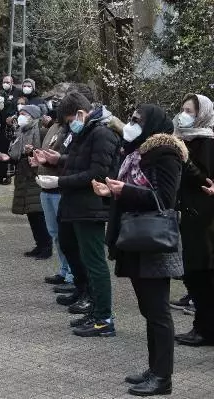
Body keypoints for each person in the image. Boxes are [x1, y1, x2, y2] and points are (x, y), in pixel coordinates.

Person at [93, 104, 184, 396]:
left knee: (158, 312)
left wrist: (124, 191)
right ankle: (154, 368)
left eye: (137, 120)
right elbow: (136, 192)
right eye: (131, 118)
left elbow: (164, 199)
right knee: (148, 310)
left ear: (153, 124)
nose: (131, 123)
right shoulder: (137, 152)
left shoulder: (166, 154)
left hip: (154, 242)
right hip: (136, 239)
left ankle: (163, 378)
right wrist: (112, 193)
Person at [35, 92, 121, 337]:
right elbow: (77, 161)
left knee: (94, 262)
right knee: (73, 249)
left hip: (90, 207)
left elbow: (97, 172)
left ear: (82, 113)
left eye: (71, 118)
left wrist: (59, 181)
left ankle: (104, 318)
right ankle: (93, 307)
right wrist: (58, 160)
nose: (70, 124)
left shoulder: (102, 133)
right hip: (75, 204)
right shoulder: (85, 131)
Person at [174, 93, 214, 347]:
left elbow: (205, 179)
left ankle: (205, 330)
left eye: (189, 111)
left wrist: (184, 157)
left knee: (201, 276)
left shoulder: (207, 142)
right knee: (193, 276)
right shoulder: (186, 139)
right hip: (191, 215)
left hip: (204, 220)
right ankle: (202, 326)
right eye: (183, 109)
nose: (183, 114)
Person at [0, 105, 52, 259]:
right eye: (19, 113)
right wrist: (8, 158)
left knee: (38, 213)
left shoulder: (40, 131)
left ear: (32, 116)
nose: (20, 116)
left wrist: (33, 150)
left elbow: (46, 153)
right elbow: (17, 154)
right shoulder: (21, 131)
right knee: (31, 213)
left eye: (24, 114)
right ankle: (39, 244)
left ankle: (46, 246)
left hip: (35, 176)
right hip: (23, 175)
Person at [34, 112, 74, 287]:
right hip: (46, 186)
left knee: (68, 236)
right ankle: (64, 270)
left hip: (61, 188)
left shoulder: (75, 129)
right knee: (56, 234)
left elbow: (74, 160)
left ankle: (74, 276)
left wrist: (54, 161)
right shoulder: (54, 127)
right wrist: (41, 161)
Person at [0, 75, 21, 185]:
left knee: (9, 150)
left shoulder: (17, 92)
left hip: (11, 126)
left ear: (12, 82)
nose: (5, 84)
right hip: (0, 126)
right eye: (4, 82)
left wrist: (13, 118)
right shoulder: (0, 92)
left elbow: (18, 107)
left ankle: (8, 176)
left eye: (7, 82)